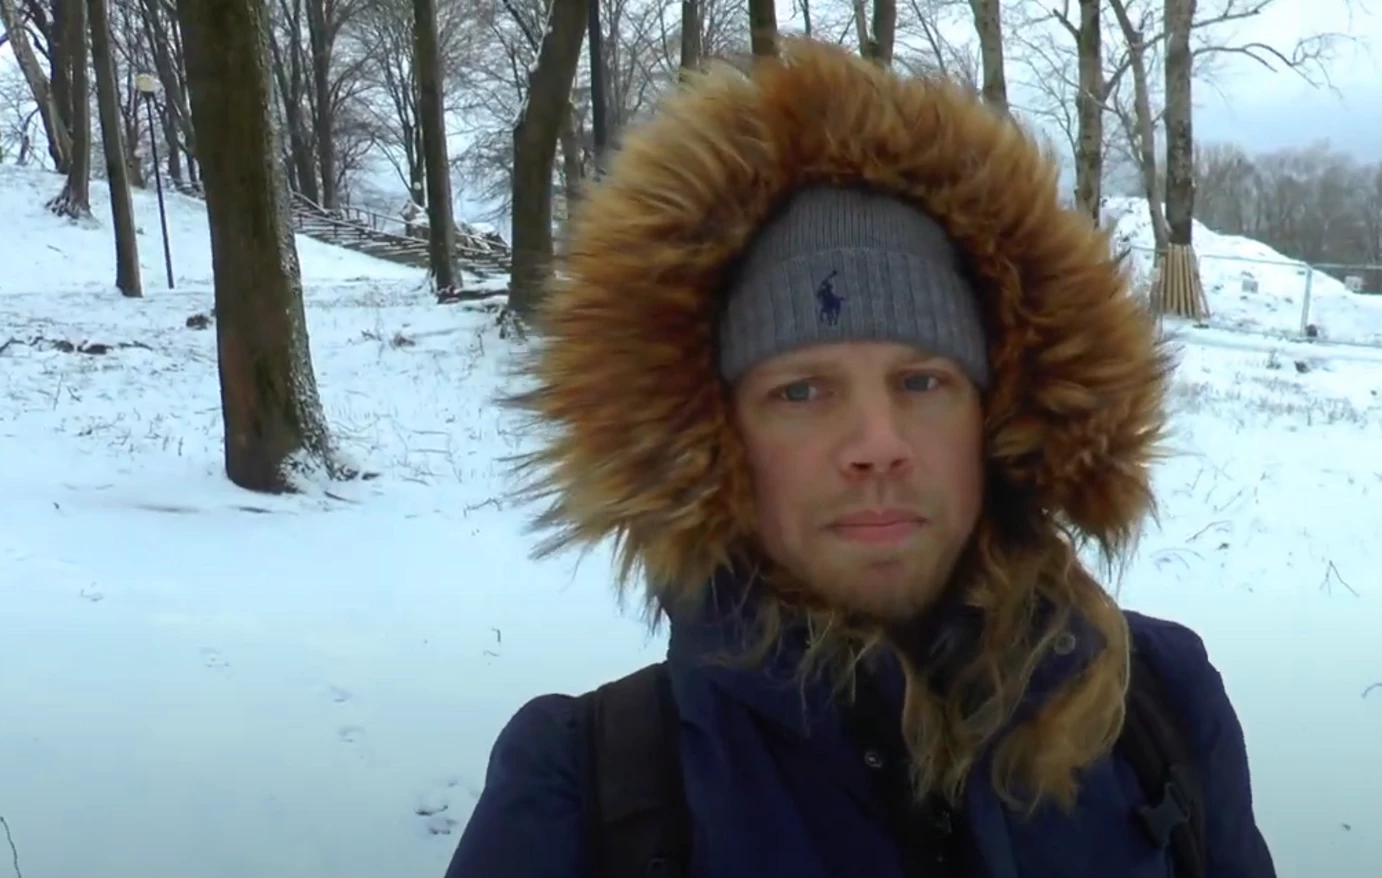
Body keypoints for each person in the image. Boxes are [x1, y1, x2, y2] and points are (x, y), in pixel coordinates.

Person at [445, 38, 1275, 878]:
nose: (877, 445)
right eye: (801, 391)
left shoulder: (1159, 712)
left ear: (997, 418)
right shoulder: (587, 792)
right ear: (717, 444)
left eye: (922, 381)